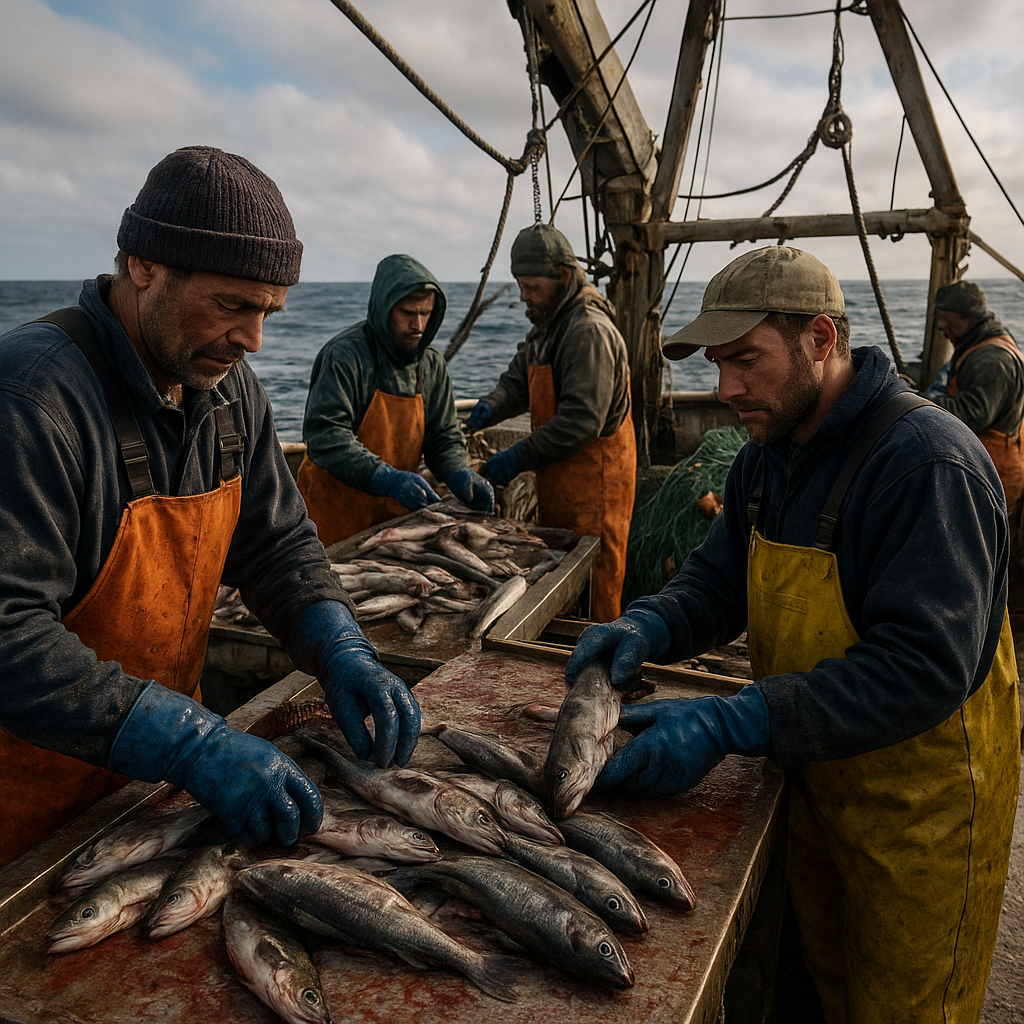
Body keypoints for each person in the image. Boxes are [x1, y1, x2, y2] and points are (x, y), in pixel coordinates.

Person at [565, 245, 1020, 1023]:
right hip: (815, 772)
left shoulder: (927, 466)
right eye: (717, 363)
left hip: (920, 803)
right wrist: (653, 619)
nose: (727, 388)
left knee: (904, 1007)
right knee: (816, 982)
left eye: (746, 359)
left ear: (820, 338)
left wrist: (734, 717)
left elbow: (924, 667)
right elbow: (720, 580)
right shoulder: (767, 454)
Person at [0, 146, 421, 869]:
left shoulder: (230, 389)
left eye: (267, 312)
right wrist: (191, 741)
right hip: (23, 811)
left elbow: (276, 545)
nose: (252, 340)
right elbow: (7, 634)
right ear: (143, 266)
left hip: (150, 793)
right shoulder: (31, 398)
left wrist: (340, 646)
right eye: (232, 305)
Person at [468, 223, 636, 621]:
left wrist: (515, 458)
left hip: (597, 486)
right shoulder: (548, 325)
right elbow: (518, 380)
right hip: (561, 482)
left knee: (595, 586)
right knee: (561, 582)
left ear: (562, 276)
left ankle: (602, 665)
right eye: (520, 286)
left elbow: (580, 421)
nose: (524, 296)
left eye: (531, 287)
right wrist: (492, 406)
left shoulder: (587, 330)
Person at [297, 255, 494, 547]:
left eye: (426, 313)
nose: (417, 324)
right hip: (331, 517)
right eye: (407, 312)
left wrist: (457, 470)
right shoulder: (344, 356)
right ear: (384, 309)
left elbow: (443, 436)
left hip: (394, 523)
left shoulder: (431, 364)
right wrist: (383, 477)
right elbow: (326, 435)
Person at [923, 280, 1024, 612]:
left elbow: (973, 414)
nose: (941, 327)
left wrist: (917, 403)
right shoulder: (978, 345)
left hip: (995, 470)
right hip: (984, 464)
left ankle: (987, 623)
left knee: (981, 553)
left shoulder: (991, 359)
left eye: (947, 320)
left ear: (968, 318)